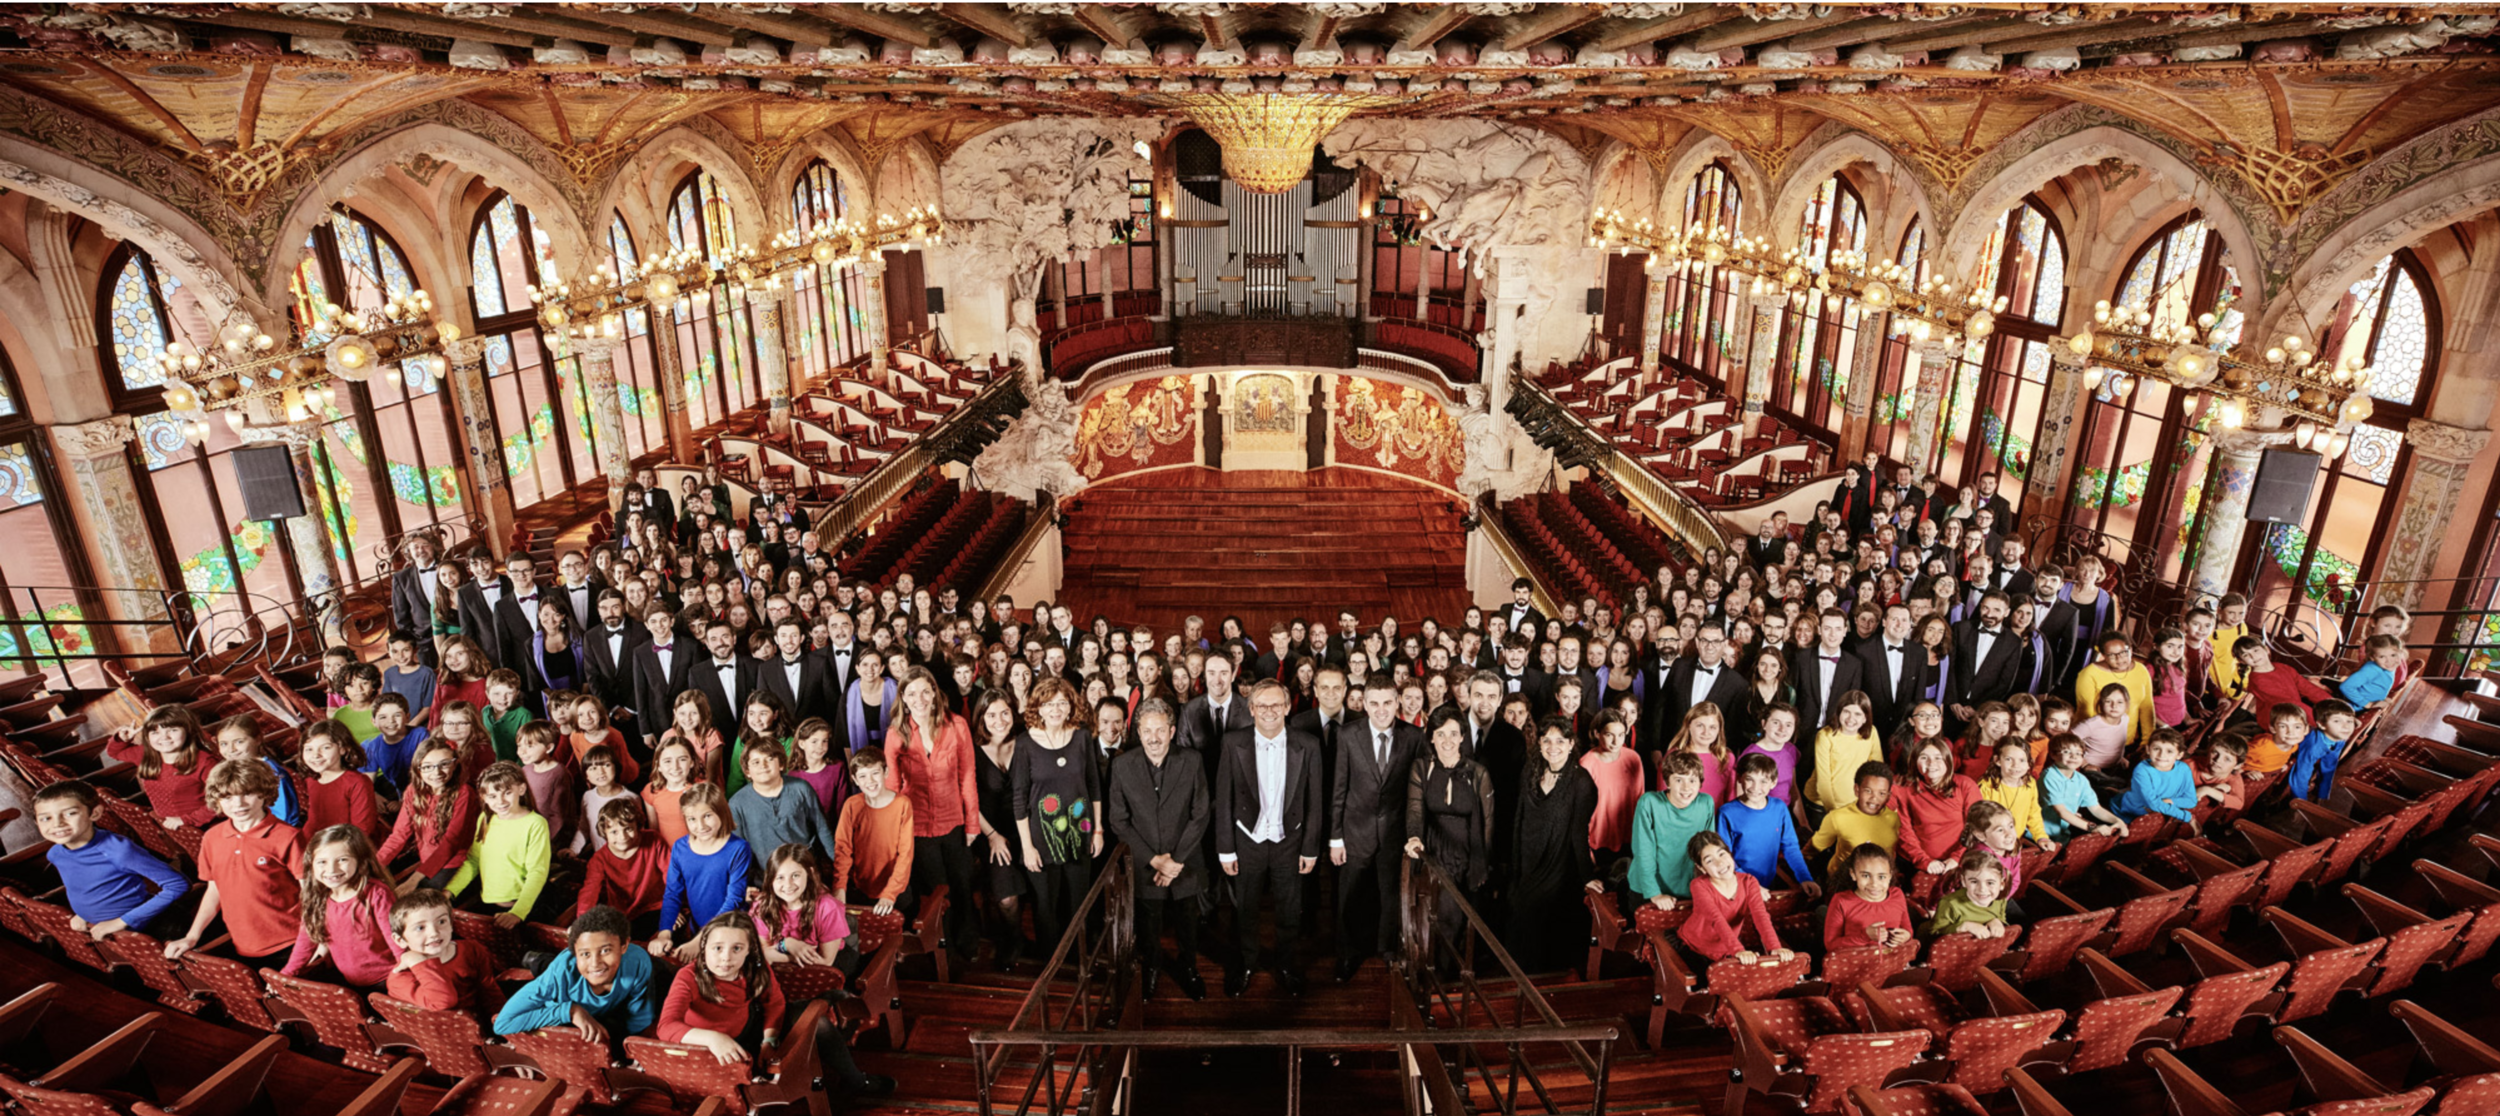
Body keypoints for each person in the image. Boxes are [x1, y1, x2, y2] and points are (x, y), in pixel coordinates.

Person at [657, 914, 896, 1096]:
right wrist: (712, 1038)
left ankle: (855, 1081)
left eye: (736, 948)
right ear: (704, 948)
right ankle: (827, 999)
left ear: (749, 950)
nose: (725, 957)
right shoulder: (688, 976)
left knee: (818, 1023)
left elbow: (775, 1003)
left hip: (751, 1026)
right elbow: (666, 1027)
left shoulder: (756, 967)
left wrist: (768, 1041)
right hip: (714, 1046)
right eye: (717, 948)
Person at [1214, 679, 1323, 998]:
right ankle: (1247, 964)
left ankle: (1286, 965)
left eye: (1277, 705)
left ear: (1288, 708)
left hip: (1290, 841)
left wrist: (1311, 848)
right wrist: (1226, 849)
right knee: (1245, 909)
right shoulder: (1233, 743)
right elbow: (1224, 799)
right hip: (1247, 840)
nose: (1270, 711)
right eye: (1262, 705)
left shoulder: (1308, 744)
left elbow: (1315, 801)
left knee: (1290, 909)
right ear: (1251, 709)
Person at [1106, 698, 1210, 1000]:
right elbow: (1119, 820)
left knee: (1188, 922)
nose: (1154, 738)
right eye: (1147, 731)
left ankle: (1189, 968)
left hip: (1185, 860)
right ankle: (1152, 968)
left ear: (1172, 730)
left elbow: (1200, 813)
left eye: (1160, 730)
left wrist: (1175, 860)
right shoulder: (1122, 766)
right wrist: (1155, 860)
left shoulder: (1192, 761)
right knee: (1149, 923)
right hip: (1145, 862)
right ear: (1138, 732)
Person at [165, 759, 305, 962]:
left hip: (291, 942)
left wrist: (313, 939)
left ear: (264, 793)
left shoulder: (288, 836)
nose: (238, 804)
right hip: (242, 943)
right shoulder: (212, 837)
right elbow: (215, 890)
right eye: (228, 797)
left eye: (247, 794)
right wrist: (192, 936)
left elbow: (311, 893)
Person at [1328, 677, 1420, 982]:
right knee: (1350, 897)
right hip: (1355, 832)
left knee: (1390, 896)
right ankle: (1347, 955)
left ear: (1397, 703)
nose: (1381, 710)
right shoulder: (1347, 735)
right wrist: (1335, 837)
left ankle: (1386, 952)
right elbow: (1339, 788)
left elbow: (1415, 792)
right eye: (1374, 703)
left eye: (1387, 703)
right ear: (1365, 704)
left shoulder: (1413, 737)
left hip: (1394, 834)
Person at [890, 667, 978, 967]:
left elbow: (967, 777)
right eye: (912, 693)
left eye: (925, 691)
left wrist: (972, 823)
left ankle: (968, 943)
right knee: (935, 895)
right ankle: (946, 951)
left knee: (963, 886)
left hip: (954, 822)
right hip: (917, 827)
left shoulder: (957, 726)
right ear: (903, 697)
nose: (920, 698)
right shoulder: (896, 732)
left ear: (935, 692)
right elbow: (891, 787)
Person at [35, 778, 189, 939]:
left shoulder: (119, 850)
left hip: (152, 927)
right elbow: (84, 886)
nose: (57, 823)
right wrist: (83, 914)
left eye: (70, 813)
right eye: (46, 818)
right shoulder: (55, 854)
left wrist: (122, 921)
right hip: (103, 929)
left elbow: (178, 884)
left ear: (95, 813)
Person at [1401, 706, 1495, 956]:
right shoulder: (1421, 768)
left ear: (1463, 737)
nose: (1447, 741)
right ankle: (1439, 974)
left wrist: (1482, 865)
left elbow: (1487, 822)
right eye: (1441, 734)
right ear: (1431, 736)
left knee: (1464, 920)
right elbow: (1414, 809)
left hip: (1467, 854)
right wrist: (1413, 836)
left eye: (1454, 734)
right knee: (1446, 916)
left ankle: (1449, 975)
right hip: (1435, 853)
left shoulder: (1478, 772)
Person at [495, 905, 660, 1040]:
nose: (595, 962)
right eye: (585, 954)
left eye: (605, 950)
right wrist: (570, 1011)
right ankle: (536, 959)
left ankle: (542, 960)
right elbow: (503, 1024)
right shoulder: (558, 975)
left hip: (596, 996)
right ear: (575, 952)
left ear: (624, 946)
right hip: (561, 981)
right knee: (546, 971)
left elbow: (639, 1018)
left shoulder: (637, 960)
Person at [281, 825, 401, 987]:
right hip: (348, 980)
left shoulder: (376, 893)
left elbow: (395, 939)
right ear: (311, 864)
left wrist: (404, 973)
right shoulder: (318, 896)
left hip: (388, 979)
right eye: (322, 862)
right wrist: (287, 974)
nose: (331, 869)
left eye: (342, 860)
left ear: (360, 859)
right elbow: (306, 939)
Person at [654, 782, 754, 962]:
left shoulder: (738, 848)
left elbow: (734, 900)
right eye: (692, 819)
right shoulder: (680, 847)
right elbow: (672, 894)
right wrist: (664, 932)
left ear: (721, 812)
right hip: (698, 928)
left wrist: (701, 940)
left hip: (731, 929)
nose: (700, 825)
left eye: (707, 816)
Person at [446, 761, 553, 927]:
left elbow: (537, 872)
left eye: (507, 793)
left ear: (521, 789)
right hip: (489, 904)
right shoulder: (485, 819)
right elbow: (473, 861)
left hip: (523, 908)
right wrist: (449, 891)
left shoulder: (535, 823)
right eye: (492, 796)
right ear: (483, 797)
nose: (500, 801)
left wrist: (518, 912)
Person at [387, 888, 504, 1019]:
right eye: (420, 928)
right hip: (446, 1033)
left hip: (484, 1023)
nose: (434, 933)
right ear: (400, 940)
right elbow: (443, 1001)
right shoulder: (399, 979)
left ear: (452, 925)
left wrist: (501, 1018)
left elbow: (489, 990)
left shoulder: (472, 949)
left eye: (441, 922)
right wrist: (420, 963)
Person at [380, 740, 480, 892]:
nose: (437, 773)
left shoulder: (464, 793)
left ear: (455, 764)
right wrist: (374, 865)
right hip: (426, 860)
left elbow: (450, 844)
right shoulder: (413, 791)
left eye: (444, 764)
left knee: (419, 898)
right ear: (418, 769)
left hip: (454, 862)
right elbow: (399, 835)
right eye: (428, 767)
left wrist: (413, 880)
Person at [1676, 831, 1789, 963]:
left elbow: (1760, 916)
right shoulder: (1698, 885)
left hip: (1727, 949)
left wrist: (1775, 948)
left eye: (1722, 854)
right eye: (1710, 861)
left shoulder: (1749, 881)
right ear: (1702, 868)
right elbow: (1716, 919)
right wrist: (1738, 951)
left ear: (1730, 854)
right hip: (1694, 947)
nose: (1720, 863)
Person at [1626, 752, 1716, 912]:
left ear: (1700, 783)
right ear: (1667, 782)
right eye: (1679, 780)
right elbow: (1643, 852)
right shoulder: (1649, 803)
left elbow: (1709, 850)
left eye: (1692, 780)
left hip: (1689, 888)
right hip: (1648, 888)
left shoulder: (1706, 803)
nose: (1686, 787)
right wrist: (1655, 894)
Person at [830, 749, 914, 918]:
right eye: (862, 776)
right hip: (861, 887)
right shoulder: (852, 805)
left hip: (896, 889)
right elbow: (843, 849)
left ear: (886, 772)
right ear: (855, 780)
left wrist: (890, 894)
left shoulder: (902, 804)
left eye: (875, 773)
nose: (870, 781)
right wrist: (840, 887)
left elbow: (906, 854)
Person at [729, 741, 839, 866]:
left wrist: (839, 867)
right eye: (756, 762)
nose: (763, 766)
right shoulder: (737, 803)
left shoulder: (801, 789)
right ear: (747, 771)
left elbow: (822, 829)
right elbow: (737, 849)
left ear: (781, 764)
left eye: (769, 759)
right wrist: (745, 884)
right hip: (764, 877)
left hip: (803, 869)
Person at [1715, 754, 1814, 893]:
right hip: (1737, 886)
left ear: (1773, 783)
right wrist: (1750, 886)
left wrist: (1805, 878)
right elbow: (1725, 856)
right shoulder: (1727, 812)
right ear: (1739, 779)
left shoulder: (1779, 808)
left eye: (1763, 781)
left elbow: (1790, 847)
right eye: (1749, 779)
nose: (1756, 787)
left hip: (1768, 885)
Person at [577, 798, 665, 935]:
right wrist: (583, 923)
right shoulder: (599, 859)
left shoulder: (654, 840)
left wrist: (671, 910)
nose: (622, 837)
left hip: (657, 907)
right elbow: (589, 891)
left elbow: (671, 876)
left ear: (638, 826)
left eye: (628, 829)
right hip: (624, 914)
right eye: (614, 832)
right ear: (604, 832)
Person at [1809, 762, 1901, 881]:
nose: (1874, 798)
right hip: (1843, 882)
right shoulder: (1838, 817)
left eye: (1881, 793)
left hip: (1880, 884)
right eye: (1868, 791)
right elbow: (1812, 850)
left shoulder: (1895, 819)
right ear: (1857, 790)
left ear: (1888, 796)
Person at [299, 719, 382, 846]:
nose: (316, 755)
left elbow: (363, 829)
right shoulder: (310, 781)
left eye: (325, 748)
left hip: (353, 847)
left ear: (343, 749)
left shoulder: (357, 782)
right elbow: (313, 822)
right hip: (322, 846)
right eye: (309, 749)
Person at [1823, 843, 1913, 953]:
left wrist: (1905, 936)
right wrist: (1864, 936)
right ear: (1853, 874)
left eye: (1881, 877)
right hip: (1853, 966)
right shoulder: (1841, 900)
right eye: (1865, 876)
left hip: (1891, 964)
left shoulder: (1897, 894)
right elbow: (1831, 945)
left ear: (1890, 876)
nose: (1874, 884)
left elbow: (1908, 930)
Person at [2115, 729, 2199, 832]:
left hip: (2158, 813)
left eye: (2169, 751)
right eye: (2156, 749)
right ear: (2148, 749)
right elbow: (2153, 804)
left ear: (2179, 755)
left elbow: (2191, 801)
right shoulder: (2142, 770)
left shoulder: (2184, 768)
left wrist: (2171, 801)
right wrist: (2187, 817)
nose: (2162, 755)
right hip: (2130, 812)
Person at [1926, 849, 2013, 939]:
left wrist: (1997, 921)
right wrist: (1963, 927)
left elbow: (2001, 917)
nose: (1982, 889)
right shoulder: (1949, 903)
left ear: (2001, 884)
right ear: (1963, 881)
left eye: (1990, 883)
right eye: (1974, 882)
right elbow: (1934, 934)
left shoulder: (2000, 899)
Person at [2288, 699, 2360, 803]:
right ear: (2322, 725)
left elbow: (2329, 767)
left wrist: (2322, 795)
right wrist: (2301, 804)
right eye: (2337, 721)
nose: (2346, 726)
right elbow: (2300, 776)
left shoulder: (2339, 738)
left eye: (2349, 721)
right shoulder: (2313, 747)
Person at [2336, 635, 2407, 712]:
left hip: (2369, 706)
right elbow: (2346, 686)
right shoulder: (2372, 670)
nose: (2389, 661)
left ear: (2401, 653)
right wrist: (2367, 704)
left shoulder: (2387, 667)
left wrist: (2380, 698)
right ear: (2372, 658)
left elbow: (2376, 685)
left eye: (2393, 655)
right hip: (2354, 710)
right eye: (2382, 657)